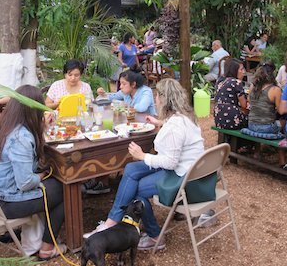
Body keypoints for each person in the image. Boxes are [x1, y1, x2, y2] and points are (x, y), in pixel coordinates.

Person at [83, 78, 205, 251]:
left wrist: (142, 155)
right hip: (190, 169)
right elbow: (175, 134)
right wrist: (159, 123)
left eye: (157, 95)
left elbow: (170, 162)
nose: (155, 98)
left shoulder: (175, 126)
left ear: (163, 99)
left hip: (181, 175)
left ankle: (155, 237)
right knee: (131, 169)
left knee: (136, 190)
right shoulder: (184, 117)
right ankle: (112, 221)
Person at [0, 85, 66, 261]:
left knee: (54, 186)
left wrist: (41, 129)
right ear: (33, 110)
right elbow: (25, 183)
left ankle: (36, 237)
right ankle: (47, 248)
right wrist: (42, 176)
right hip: (3, 203)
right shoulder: (21, 137)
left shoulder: (2, 125)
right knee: (66, 189)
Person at [213, 58, 248, 130]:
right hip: (232, 119)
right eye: (241, 69)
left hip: (219, 119)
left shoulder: (220, 80)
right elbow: (244, 105)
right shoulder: (236, 82)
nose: (243, 72)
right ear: (234, 71)